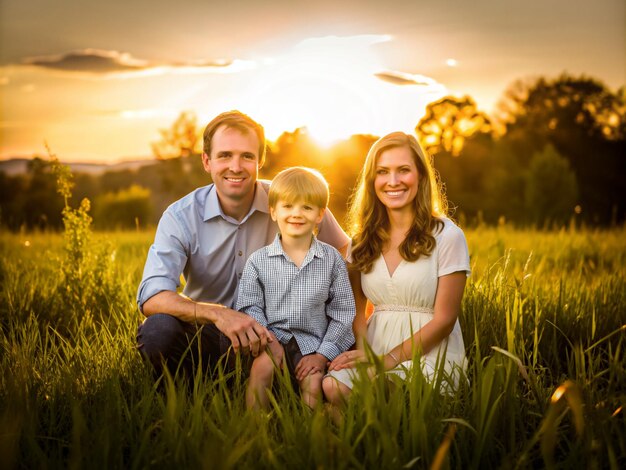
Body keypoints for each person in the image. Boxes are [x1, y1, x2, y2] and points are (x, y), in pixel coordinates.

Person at [136, 111, 349, 377]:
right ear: (206, 161)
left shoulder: (293, 203)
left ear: (260, 160)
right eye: (225, 155)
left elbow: (345, 254)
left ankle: (288, 392)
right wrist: (219, 314)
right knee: (158, 331)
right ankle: (193, 397)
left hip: (283, 336)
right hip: (210, 333)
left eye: (247, 156)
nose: (235, 167)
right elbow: (152, 296)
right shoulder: (181, 216)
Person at [322, 131, 470, 405]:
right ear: (372, 180)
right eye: (383, 172)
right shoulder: (362, 239)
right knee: (332, 387)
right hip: (376, 346)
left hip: (430, 352)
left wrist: (386, 361)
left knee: (379, 393)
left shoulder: (448, 236)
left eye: (403, 170)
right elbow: (355, 304)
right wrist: (366, 352)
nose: (393, 181)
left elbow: (445, 320)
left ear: (421, 176)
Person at [235, 167, 355, 410]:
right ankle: (253, 428)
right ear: (273, 211)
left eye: (307, 207)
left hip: (313, 345)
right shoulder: (258, 261)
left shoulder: (331, 260)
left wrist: (323, 355)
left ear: (320, 214)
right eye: (288, 206)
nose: (296, 214)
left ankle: (307, 430)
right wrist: (267, 340)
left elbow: (343, 312)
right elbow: (249, 306)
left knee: (312, 381)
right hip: (272, 339)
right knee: (262, 368)